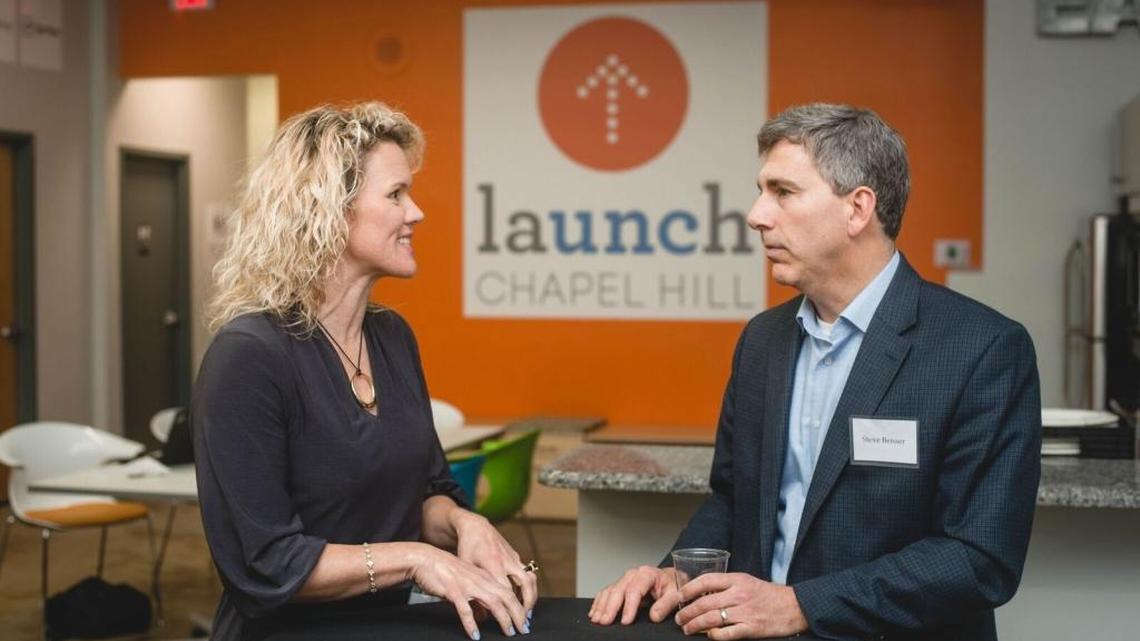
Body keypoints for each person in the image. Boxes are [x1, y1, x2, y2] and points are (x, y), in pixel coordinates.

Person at [589, 104, 1041, 640]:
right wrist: (678, 573)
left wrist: (803, 606)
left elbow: (979, 558)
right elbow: (734, 497)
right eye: (761, 191)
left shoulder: (982, 349)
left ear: (857, 209)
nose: (757, 215)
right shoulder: (763, 339)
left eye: (783, 192)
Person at [193, 102, 537, 641]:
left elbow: (428, 492)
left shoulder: (393, 337)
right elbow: (269, 565)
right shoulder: (249, 356)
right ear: (328, 209)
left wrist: (466, 524)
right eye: (396, 194)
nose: (416, 212)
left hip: (391, 623)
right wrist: (418, 560)